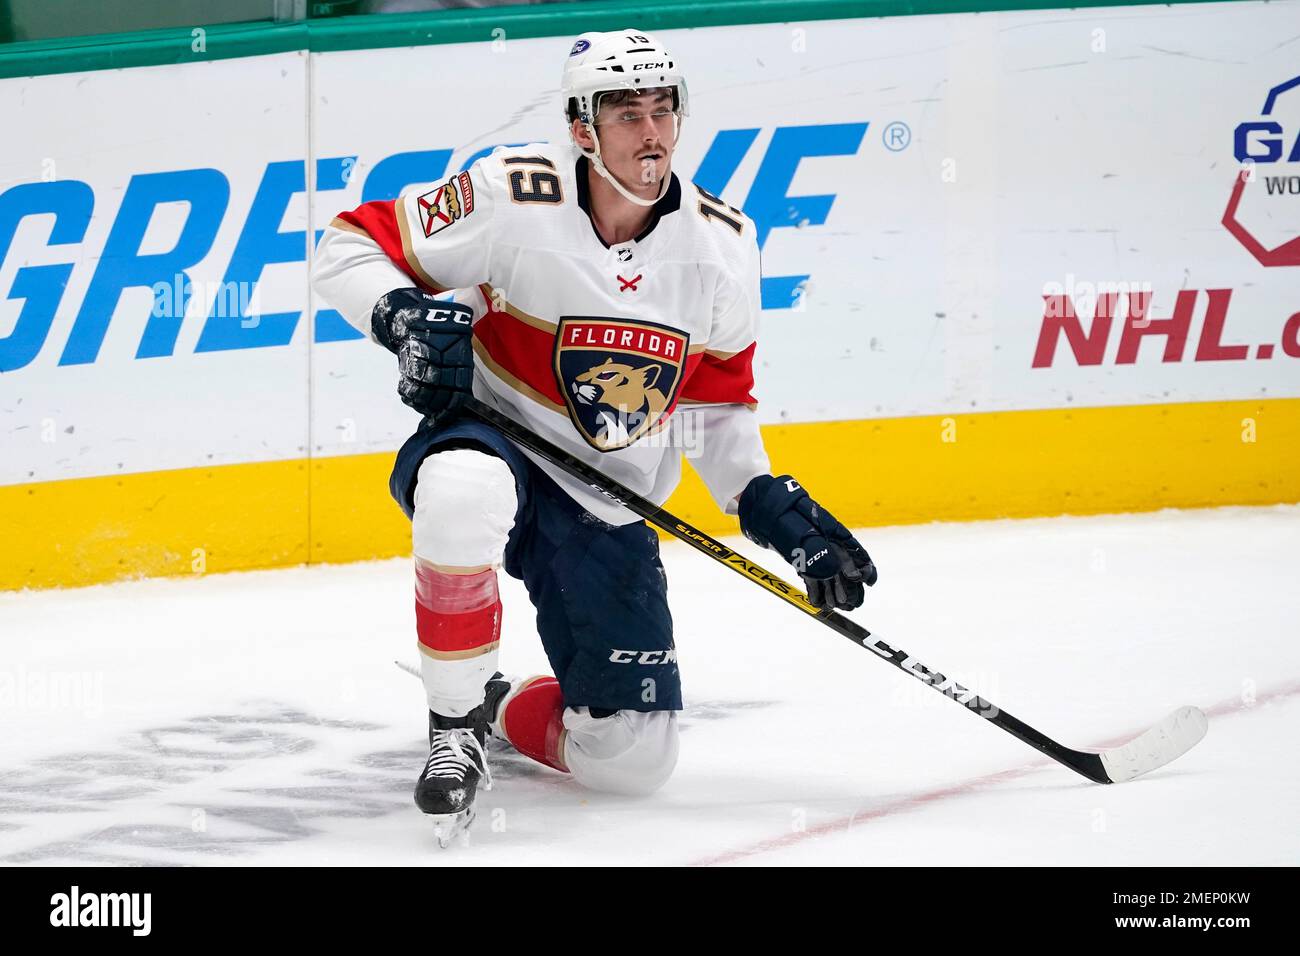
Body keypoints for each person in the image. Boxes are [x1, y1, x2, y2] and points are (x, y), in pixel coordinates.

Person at [312, 29, 877, 844]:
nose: (650, 133)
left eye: (661, 110)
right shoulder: (511, 194)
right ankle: (452, 727)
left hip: (603, 494)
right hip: (495, 429)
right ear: (582, 127)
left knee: (630, 762)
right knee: (459, 491)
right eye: (625, 112)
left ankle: (496, 704)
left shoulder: (723, 246)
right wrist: (401, 316)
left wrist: (770, 507)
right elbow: (351, 245)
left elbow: (715, 404)